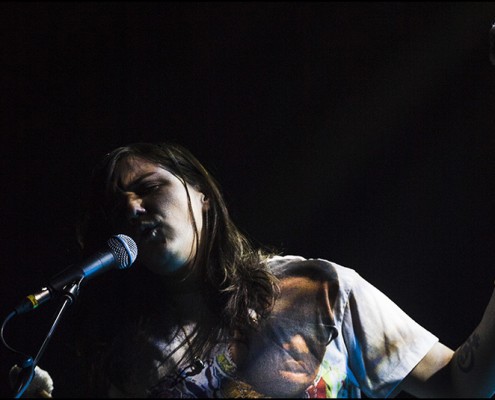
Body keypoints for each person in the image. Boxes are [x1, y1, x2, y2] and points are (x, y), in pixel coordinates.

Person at [17, 141, 495, 398]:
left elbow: (458, 385)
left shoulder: (316, 289)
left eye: (147, 186)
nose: (133, 208)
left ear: (201, 194)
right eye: (117, 208)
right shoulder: (126, 361)